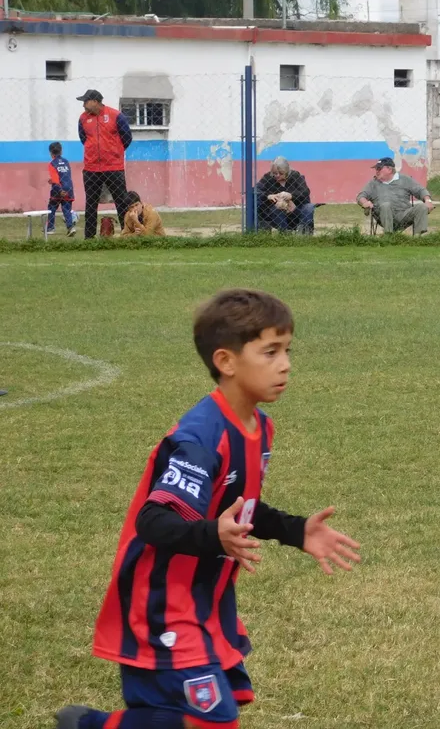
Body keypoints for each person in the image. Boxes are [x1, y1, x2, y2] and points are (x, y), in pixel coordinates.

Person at [55, 289, 361, 729]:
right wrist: (213, 534)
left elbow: (238, 506)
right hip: (162, 603)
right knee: (212, 722)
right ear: (226, 361)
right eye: (270, 352)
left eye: (287, 351)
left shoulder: (259, 427)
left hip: (204, 602)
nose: (285, 364)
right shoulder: (201, 438)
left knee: (216, 707)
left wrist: (295, 530)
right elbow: (154, 520)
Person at [77, 89, 132, 240]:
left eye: (85, 101)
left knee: (121, 201)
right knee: (91, 203)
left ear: (95, 101)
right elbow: (83, 139)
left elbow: (127, 137)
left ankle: (127, 233)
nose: (83, 105)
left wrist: (114, 152)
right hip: (91, 168)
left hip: (114, 167)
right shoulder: (83, 118)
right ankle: (89, 237)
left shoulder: (116, 116)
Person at [356, 157, 433, 235]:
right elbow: (361, 196)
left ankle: (417, 238)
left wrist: (428, 201)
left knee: (422, 207)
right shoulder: (373, 183)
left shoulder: (405, 179)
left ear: (389, 169)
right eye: (376, 169)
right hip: (383, 216)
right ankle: (388, 236)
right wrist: (364, 202)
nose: (377, 171)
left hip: (404, 215)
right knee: (386, 205)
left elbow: (420, 190)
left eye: (379, 168)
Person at [256, 157, 315, 233]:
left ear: (287, 171)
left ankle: (305, 233)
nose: (277, 175)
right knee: (277, 209)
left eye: (281, 173)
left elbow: (305, 191)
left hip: (296, 208)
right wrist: (268, 196)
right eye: (274, 173)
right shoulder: (268, 177)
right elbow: (257, 190)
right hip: (275, 211)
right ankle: (285, 233)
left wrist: (291, 195)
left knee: (309, 208)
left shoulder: (295, 176)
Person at [46, 141, 77, 237]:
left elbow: (56, 180)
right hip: (68, 188)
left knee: (52, 207)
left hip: (58, 189)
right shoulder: (66, 162)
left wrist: (59, 190)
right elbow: (64, 176)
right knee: (67, 209)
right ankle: (70, 227)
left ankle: (50, 228)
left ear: (50, 153)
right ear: (61, 151)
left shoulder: (52, 164)